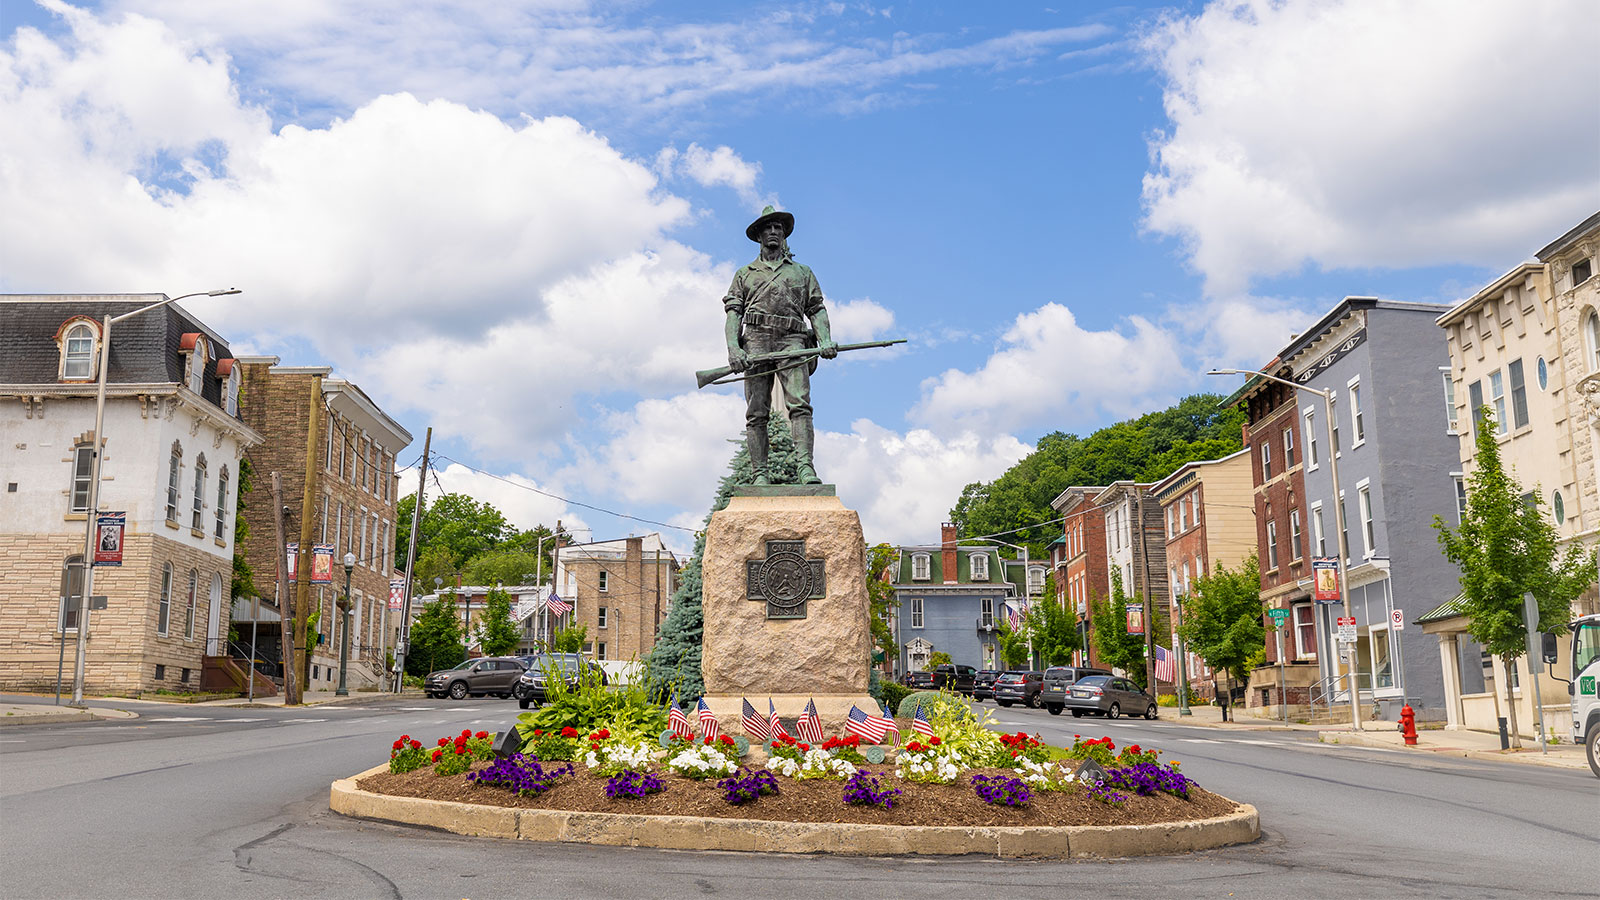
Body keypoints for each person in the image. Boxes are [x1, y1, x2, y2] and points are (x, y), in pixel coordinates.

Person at [722, 205, 837, 485]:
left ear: (784, 236)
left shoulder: (802, 272)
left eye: (779, 228)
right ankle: (759, 473)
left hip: (793, 340)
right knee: (757, 411)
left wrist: (824, 339)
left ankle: (805, 469)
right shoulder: (745, 274)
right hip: (757, 341)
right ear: (759, 235)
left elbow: (817, 309)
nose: (774, 232)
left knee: (800, 406)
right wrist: (734, 349)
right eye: (769, 228)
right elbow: (733, 314)